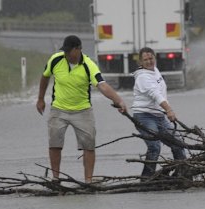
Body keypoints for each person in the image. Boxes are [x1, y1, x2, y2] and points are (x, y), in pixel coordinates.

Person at [36, 35, 127, 183]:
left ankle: (88, 181)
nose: (66, 54)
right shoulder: (56, 60)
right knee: (54, 144)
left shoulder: (89, 64)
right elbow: (45, 76)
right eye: (64, 51)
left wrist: (119, 100)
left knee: (89, 146)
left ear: (78, 49)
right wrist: (40, 99)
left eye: (69, 51)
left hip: (83, 111)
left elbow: (102, 85)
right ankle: (55, 178)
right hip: (58, 109)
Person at [132, 47, 186, 178]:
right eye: (145, 60)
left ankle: (182, 174)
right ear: (140, 62)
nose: (149, 62)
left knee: (178, 143)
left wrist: (164, 112)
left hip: (159, 116)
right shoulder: (143, 77)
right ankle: (146, 179)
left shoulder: (155, 70)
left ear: (154, 58)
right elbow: (156, 95)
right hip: (144, 116)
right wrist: (169, 110)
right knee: (155, 146)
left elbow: (161, 93)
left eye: (151, 58)